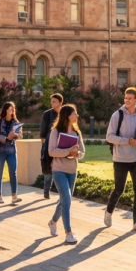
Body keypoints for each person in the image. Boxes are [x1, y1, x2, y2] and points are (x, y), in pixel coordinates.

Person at [104, 86, 136, 232]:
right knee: (119, 189)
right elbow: (109, 136)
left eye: (130, 98)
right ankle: (109, 211)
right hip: (120, 159)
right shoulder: (117, 115)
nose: (127, 100)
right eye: (125, 98)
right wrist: (127, 141)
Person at [47, 103, 85, 243]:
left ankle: (52, 222)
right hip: (58, 170)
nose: (77, 116)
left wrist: (76, 153)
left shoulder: (76, 132)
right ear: (67, 116)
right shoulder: (55, 132)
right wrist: (68, 151)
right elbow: (51, 151)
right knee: (67, 200)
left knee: (64, 201)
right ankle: (68, 232)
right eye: (74, 113)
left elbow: (82, 152)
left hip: (72, 170)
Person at [0, 101, 23, 205]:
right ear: (5, 110)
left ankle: (14, 196)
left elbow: (20, 137)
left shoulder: (15, 122)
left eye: (13, 109)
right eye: (10, 109)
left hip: (12, 151)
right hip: (0, 152)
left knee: (13, 173)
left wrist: (17, 133)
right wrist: (6, 138)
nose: (12, 111)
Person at [39, 93, 63, 199]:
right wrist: (45, 145)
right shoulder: (47, 114)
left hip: (62, 145)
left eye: (54, 102)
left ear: (60, 103)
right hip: (49, 144)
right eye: (51, 101)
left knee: (60, 169)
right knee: (48, 168)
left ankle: (61, 193)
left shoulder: (64, 114)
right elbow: (43, 131)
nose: (52, 103)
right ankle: (46, 191)